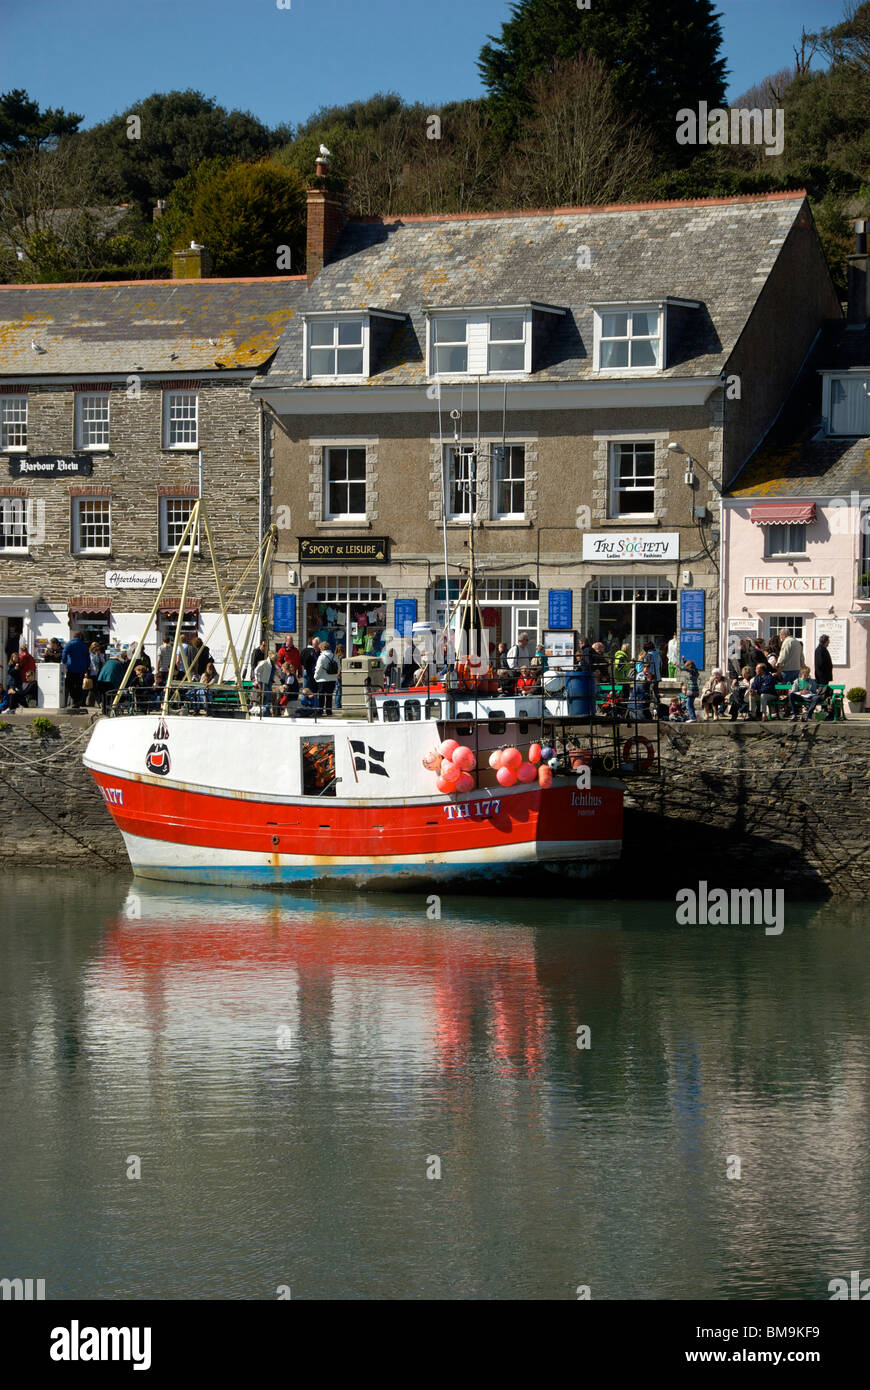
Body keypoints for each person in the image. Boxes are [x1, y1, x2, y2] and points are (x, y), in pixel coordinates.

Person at [61, 630, 90, 709]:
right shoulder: (84, 646)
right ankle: (77, 701)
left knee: (70, 685)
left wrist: (63, 661)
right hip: (81, 669)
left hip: (71, 668)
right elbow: (88, 658)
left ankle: (74, 699)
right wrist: (87, 668)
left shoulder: (70, 644)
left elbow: (64, 652)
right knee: (79, 685)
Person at [314, 642, 339, 714]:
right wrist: (335, 675)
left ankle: (320, 710)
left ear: (321, 648)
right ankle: (329, 711)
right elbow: (339, 667)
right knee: (329, 696)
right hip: (332, 679)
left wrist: (316, 677)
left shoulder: (321, 657)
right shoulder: (334, 656)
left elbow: (318, 668)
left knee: (321, 696)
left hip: (322, 679)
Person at [253, 650, 276, 716]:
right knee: (265, 697)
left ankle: (266, 712)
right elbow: (256, 670)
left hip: (267, 682)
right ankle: (265, 712)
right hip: (262, 682)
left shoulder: (271, 665)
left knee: (268, 697)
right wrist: (257, 680)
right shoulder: (265, 663)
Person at [814, 632, 833, 697]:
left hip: (824, 675)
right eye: (828, 641)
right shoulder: (820, 650)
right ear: (825, 641)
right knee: (822, 692)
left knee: (825, 692)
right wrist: (827, 669)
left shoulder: (822, 649)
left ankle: (824, 706)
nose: (829, 643)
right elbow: (820, 664)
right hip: (822, 676)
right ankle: (823, 707)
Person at [333, 644, 345, 709]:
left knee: (337, 690)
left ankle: (336, 704)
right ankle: (337, 705)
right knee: (339, 691)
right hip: (339, 676)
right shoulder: (342, 657)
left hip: (335, 675)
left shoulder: (334, 657)